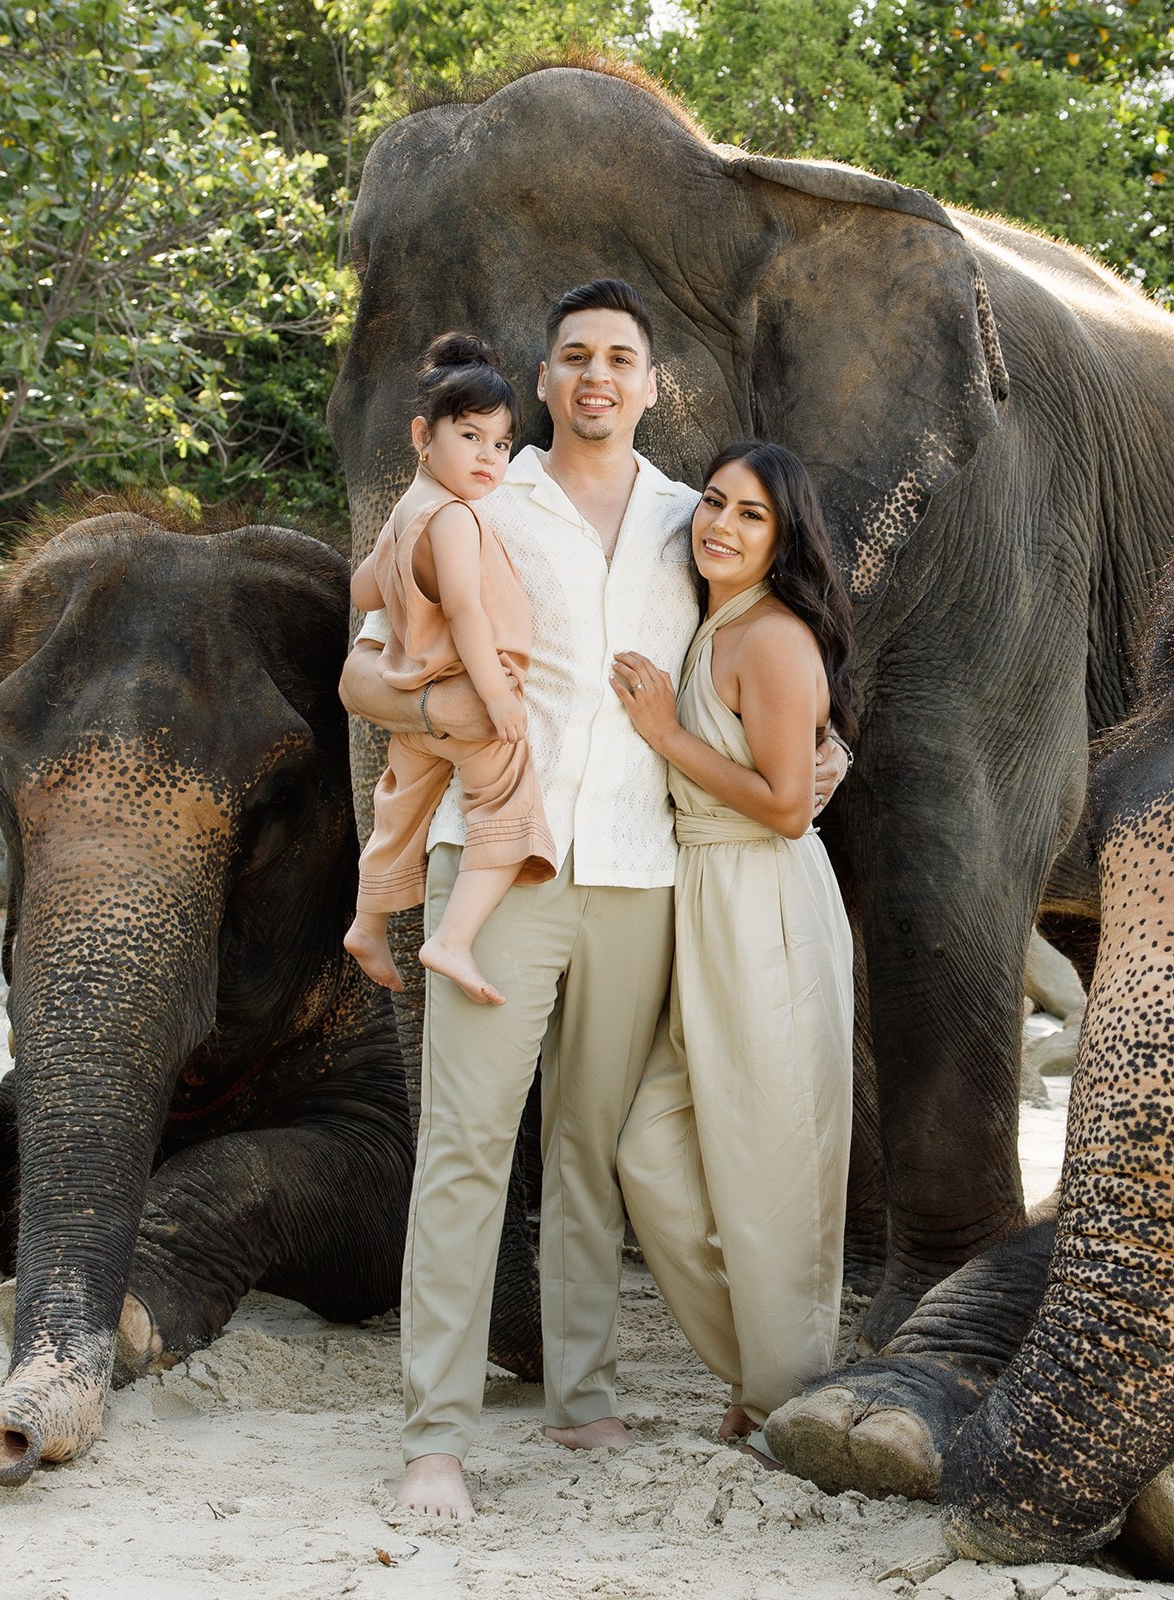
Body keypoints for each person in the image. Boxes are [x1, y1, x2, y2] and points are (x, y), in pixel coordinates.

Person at [337, 281, 850, 1521]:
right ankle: (437, 1434)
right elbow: (363, 666)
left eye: (622, 358)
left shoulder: (696, 521)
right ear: (547, 376)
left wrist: (825, 755)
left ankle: (583, 1396)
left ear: (654, 383)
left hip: (646, 874)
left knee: (589, 1152)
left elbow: (767, 659)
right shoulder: (478, 499)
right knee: (464, 1145)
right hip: (503, 860)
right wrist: (431, 708)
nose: (598, 378)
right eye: (576, 358)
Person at [612, 441, 858, 1446]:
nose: (720, 524)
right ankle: (776, 1378)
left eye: (751, 515)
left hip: (768, 908)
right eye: (713, 502)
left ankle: (784, 1397)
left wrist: (667, 736)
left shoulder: (771, 637)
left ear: (783, 537)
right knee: (650, 1153)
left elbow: (791, 809)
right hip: (705, 897)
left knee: (773, 1170)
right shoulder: (709, 620)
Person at [343, 332, 556, 1004]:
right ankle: (454, 938)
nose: (489, 458)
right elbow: (465, 613)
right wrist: (496, 700)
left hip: (413, 688)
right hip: (466, 694)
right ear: (422, 435)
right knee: (506, 802)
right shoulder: (457, 520)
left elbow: (364, 591)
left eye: (500, 443)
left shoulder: (408, 510)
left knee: (398, 810)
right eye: (470, 437)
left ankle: (368, 921)